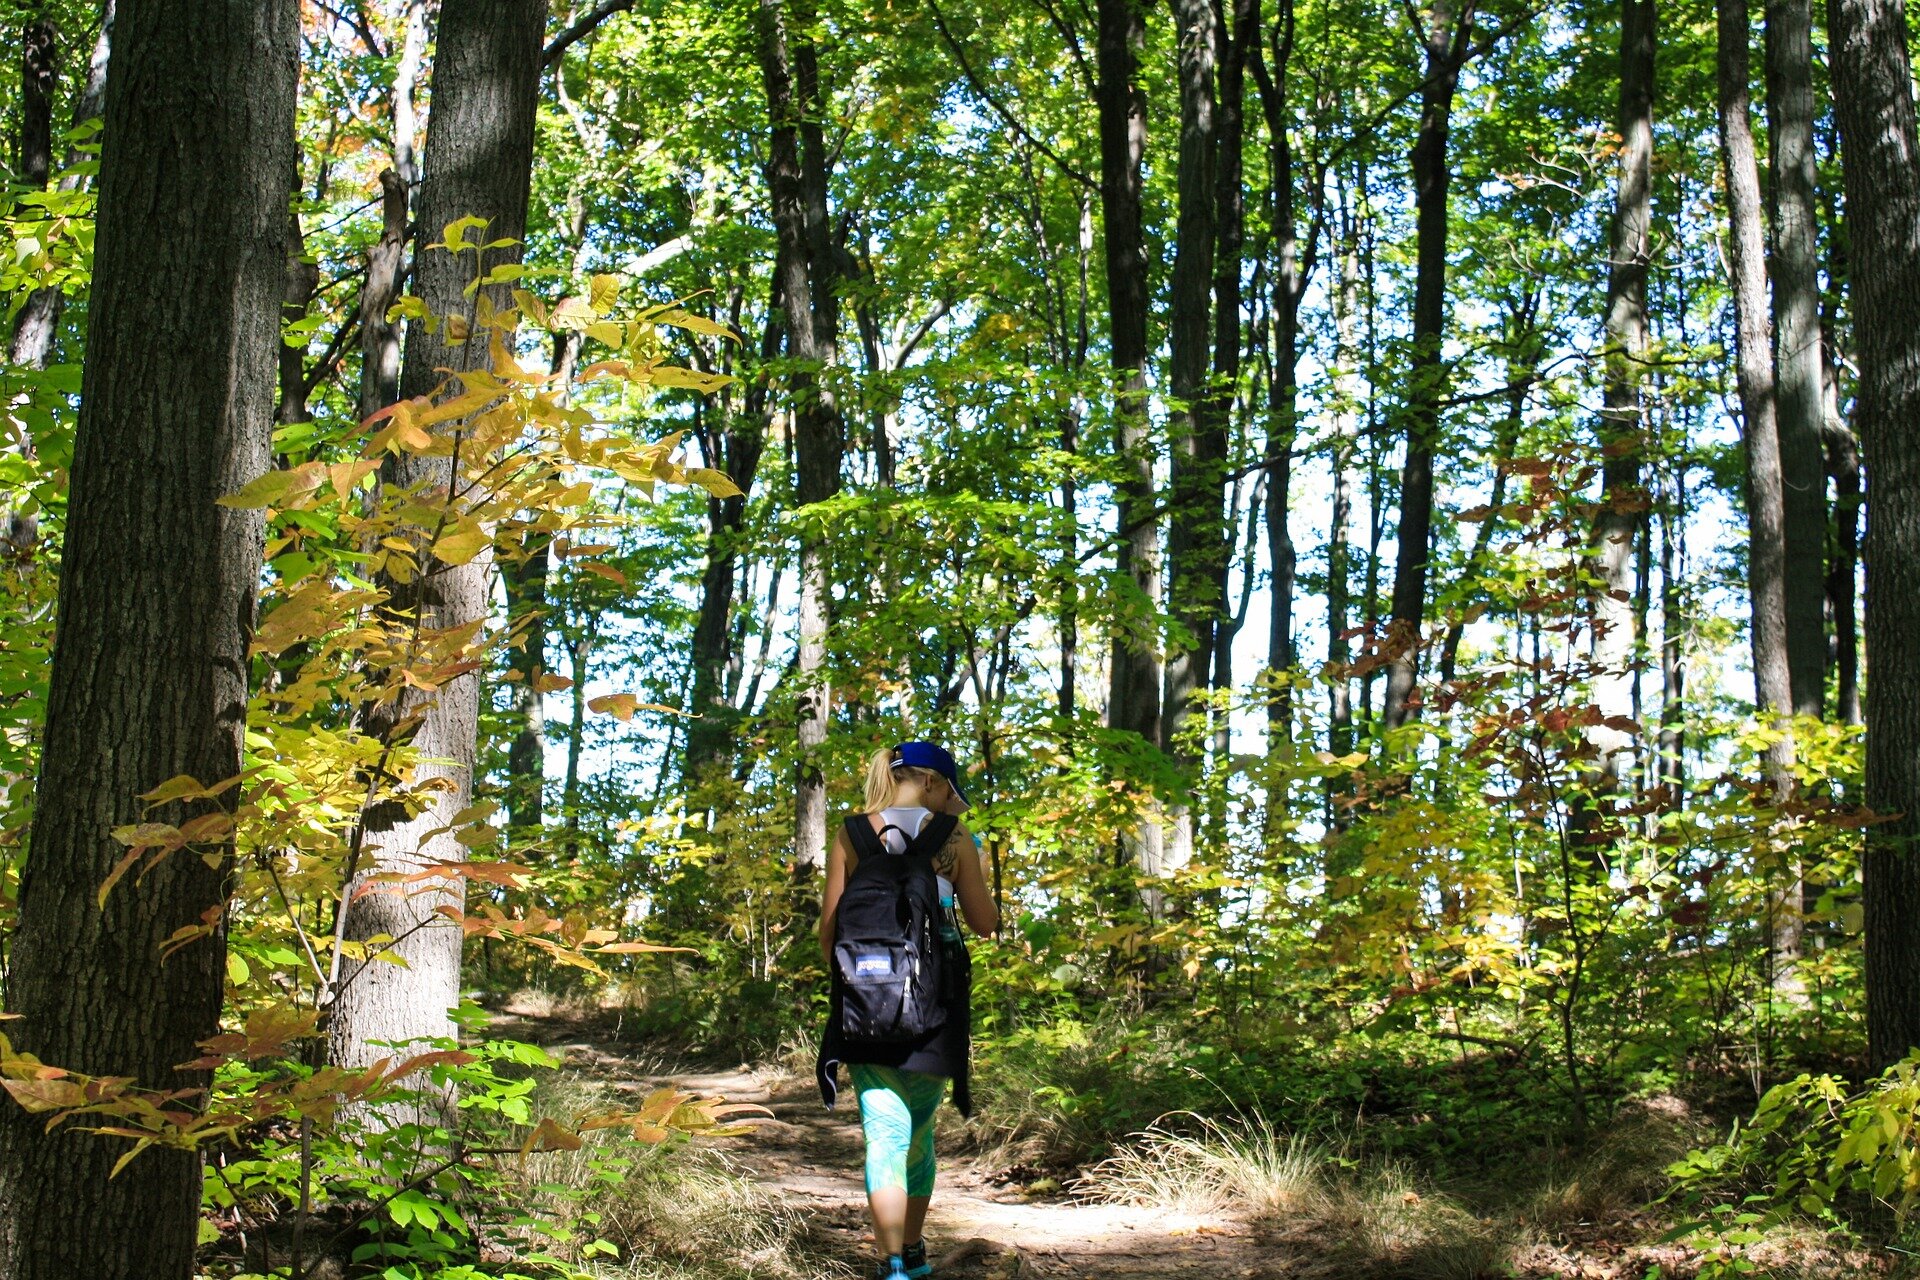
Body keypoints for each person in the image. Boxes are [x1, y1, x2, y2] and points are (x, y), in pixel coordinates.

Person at [818, 741, 999, 1280]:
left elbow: (828, 936)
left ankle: (890, 1260)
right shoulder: (956, 838)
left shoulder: (849, 834)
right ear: (934, 784)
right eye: (949, 793)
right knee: (918, 1134)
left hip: (864, 1007)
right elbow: (985, 923)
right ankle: (914, 1253)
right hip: (933, 1008)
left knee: (884, 1134)